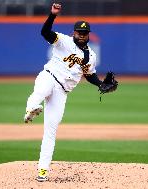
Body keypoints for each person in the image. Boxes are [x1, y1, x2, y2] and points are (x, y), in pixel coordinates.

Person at [24, 3, 117, 182]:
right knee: (41, 91)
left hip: (62, 91)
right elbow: (45, 32)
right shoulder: (63, 40)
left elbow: (89, 75)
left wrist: (99, 84)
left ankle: (42, 170)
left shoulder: (91, 56)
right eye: (78, 32)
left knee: (51, 130)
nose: (81, 35)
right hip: (49, 76)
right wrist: (52, 15)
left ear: (88, 35)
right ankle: (31, 109)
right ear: (73, 32)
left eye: (84, 33)